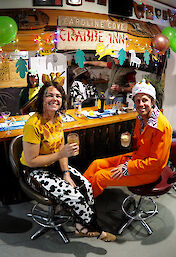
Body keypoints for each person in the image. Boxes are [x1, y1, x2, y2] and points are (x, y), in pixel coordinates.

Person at [20, 81, 116, 242]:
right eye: (49, 95)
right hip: (34, 171)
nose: (54, 99)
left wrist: (66, 173)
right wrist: (60, 154)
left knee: (85, 185)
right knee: (75, 196)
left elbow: (61, 150)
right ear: (41, 99)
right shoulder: (33, 124)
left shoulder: (57, 119)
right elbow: (31, 161)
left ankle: (80, 226)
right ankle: (95, 230)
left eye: (58, 96)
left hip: (54, 165)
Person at [83, 80, 172, 198]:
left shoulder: (161, 127)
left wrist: (127, 168)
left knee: (100, 177)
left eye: (145, 100)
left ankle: (82, 203)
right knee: (96, 164)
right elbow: (140, 144)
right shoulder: (141, 118)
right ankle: (77, 190)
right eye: (137, 101)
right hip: (136, 159)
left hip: (149, 172)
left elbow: (156, 163)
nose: (141, 104)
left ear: (152, 101)